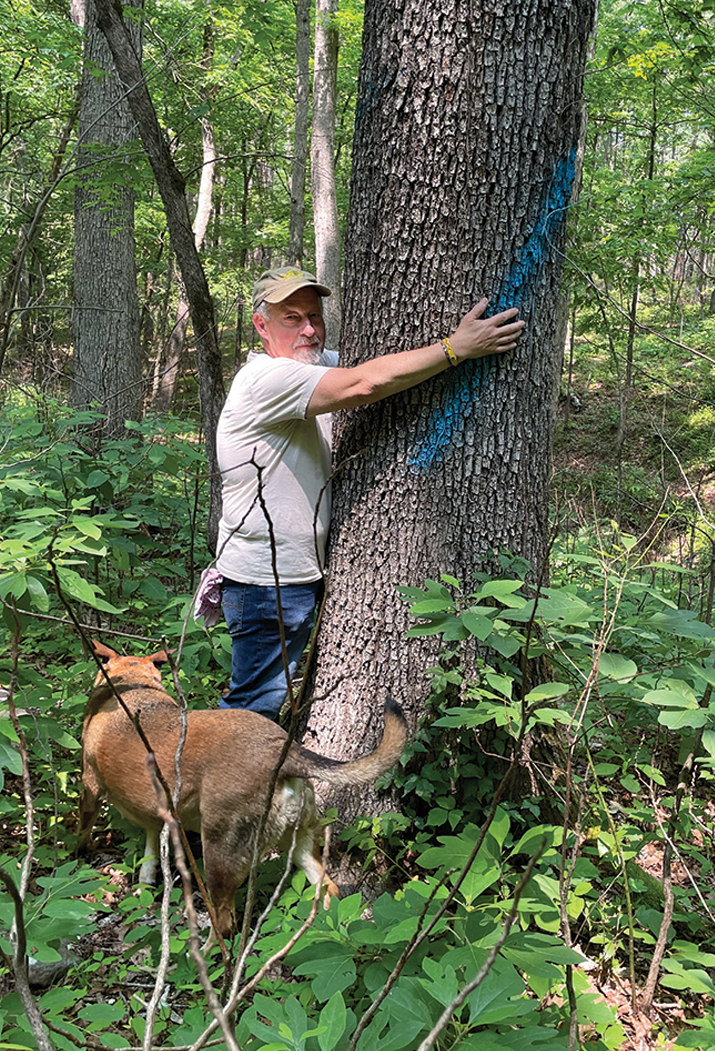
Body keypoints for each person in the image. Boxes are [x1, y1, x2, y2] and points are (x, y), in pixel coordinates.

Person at [214, 266, 525, 717]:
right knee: (252, 709)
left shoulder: (309, 365)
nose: (308, 329)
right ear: (262, 325)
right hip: (267, 583)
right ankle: (217, 786)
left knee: (267, 704)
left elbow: (382, 368)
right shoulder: (269, 378)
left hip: (290, 577)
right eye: (291, 318)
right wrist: (455, 348)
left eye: (315, 317)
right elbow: (367, 383)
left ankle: (260, 782)